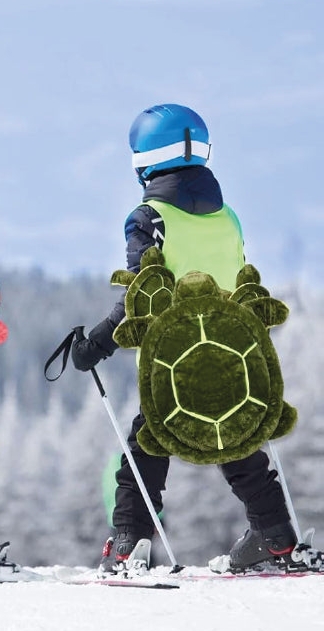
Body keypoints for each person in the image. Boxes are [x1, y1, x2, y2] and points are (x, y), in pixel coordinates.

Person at [71, 103, 305, 573]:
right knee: (238, 444)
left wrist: (93, 345)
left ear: (144, 159)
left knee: (147, 447)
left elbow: (143, 296)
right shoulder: (229, 218)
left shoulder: (148, 217)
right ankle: (276, 537)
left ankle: (129, 542)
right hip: (233, 356)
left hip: (173, 363)